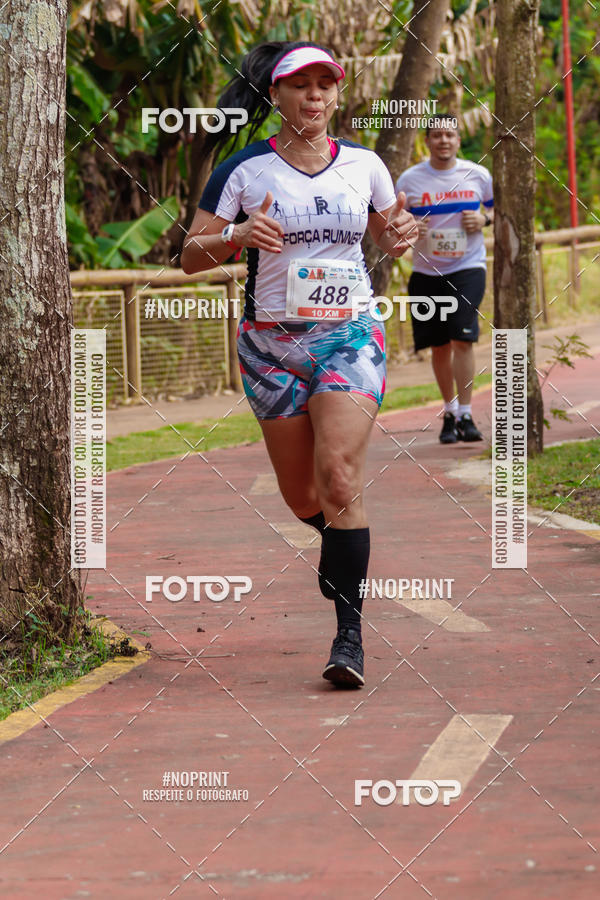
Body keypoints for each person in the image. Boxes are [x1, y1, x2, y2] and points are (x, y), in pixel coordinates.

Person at [181, 41, 416, 688]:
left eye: (325, 85)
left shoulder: (366, 165)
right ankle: (337, 545)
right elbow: (189, 257)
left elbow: (388, 231)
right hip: (270, 344)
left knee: (339, 476)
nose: (314, 96)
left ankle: (349, 637)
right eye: (299, 85)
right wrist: (234, 236)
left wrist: (400, 233)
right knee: (303, 495)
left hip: (350, 335)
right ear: (276, 96)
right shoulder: (243, 170)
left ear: (338, 94)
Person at [395, 114, 494, 444]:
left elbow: (499, 209)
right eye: (437, 135)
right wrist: (411, 226)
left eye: (449, 135)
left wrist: (484, 218)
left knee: (462, 337)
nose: (444, 141)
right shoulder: (410, 180)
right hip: (426, 272)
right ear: (428, 140)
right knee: (438, 346)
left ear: (458, 140)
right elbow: (394, 220)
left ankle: (467, 414)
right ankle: (449, 412)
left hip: (469, 266)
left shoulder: (477, 174)